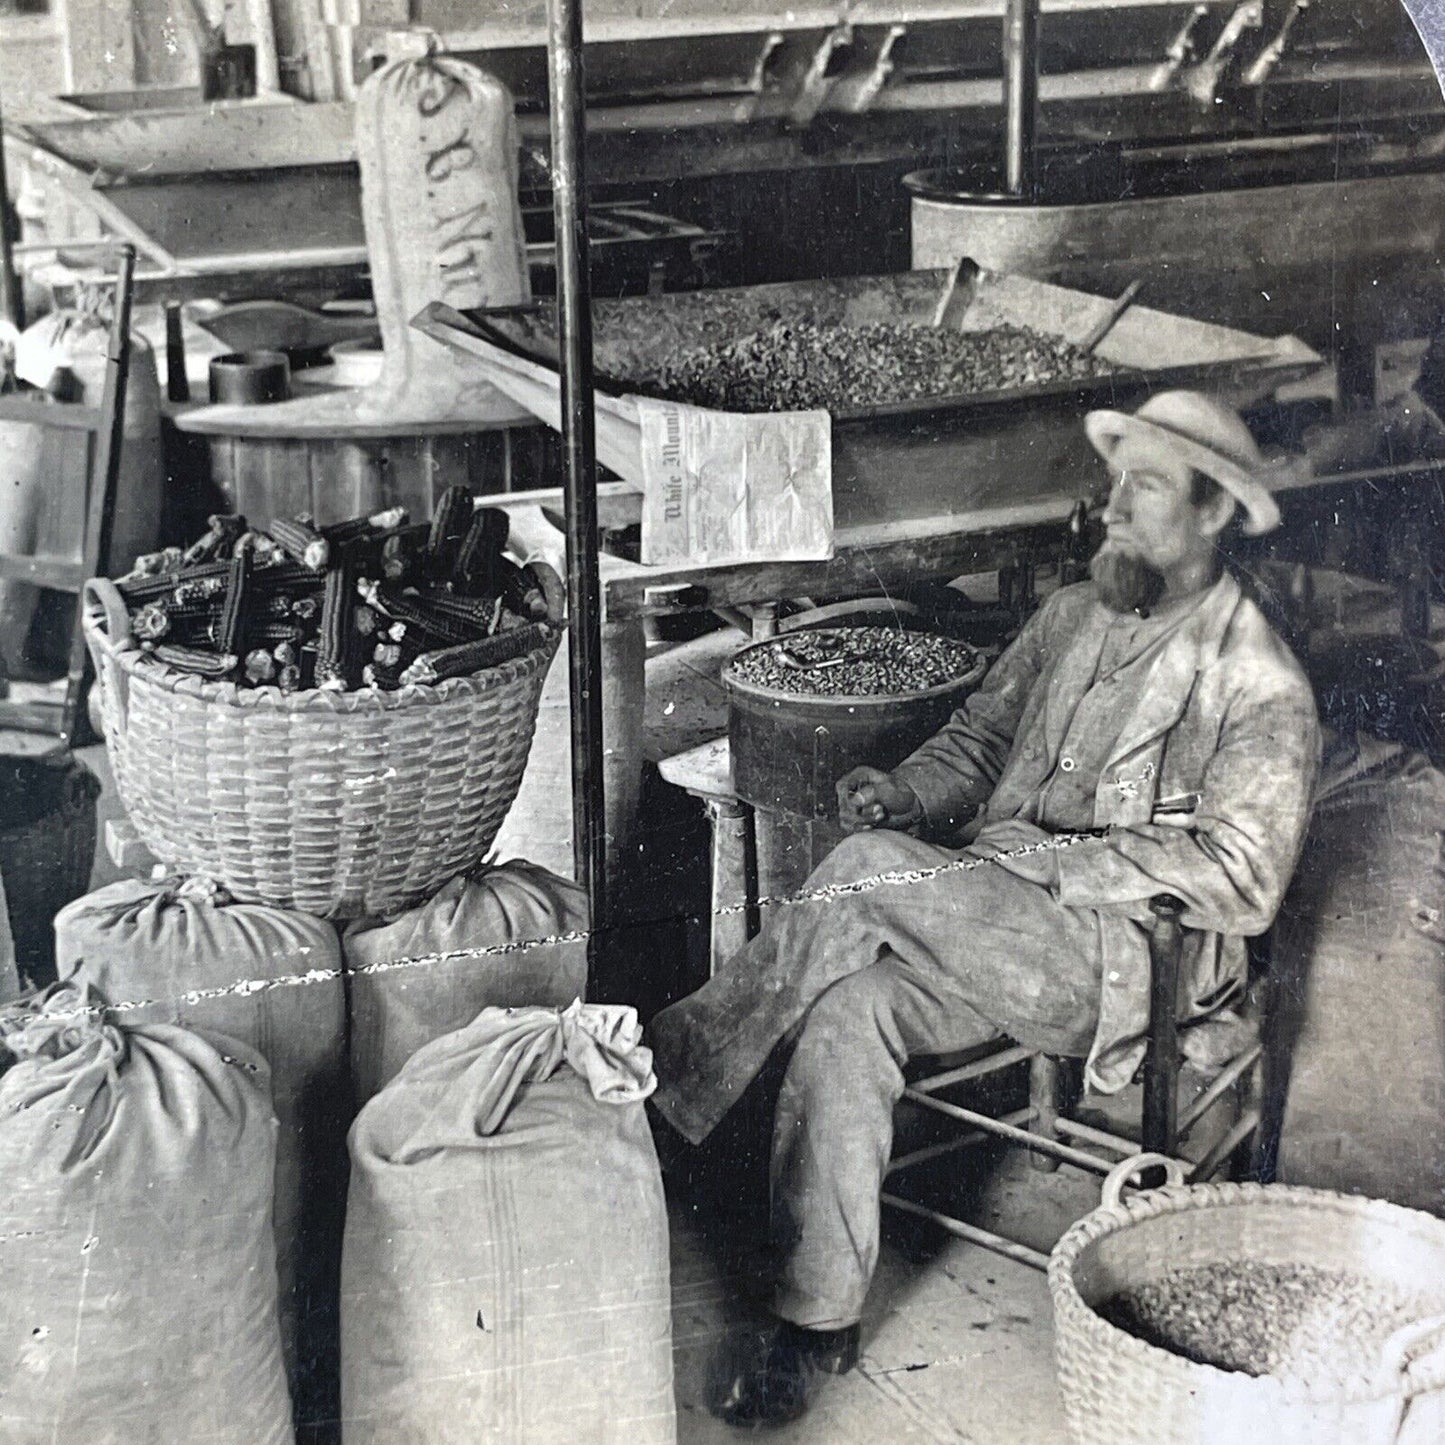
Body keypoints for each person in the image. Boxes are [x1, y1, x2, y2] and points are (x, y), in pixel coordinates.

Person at [648, 390, 1322, 1429]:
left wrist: (1065, 867)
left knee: (871, 865)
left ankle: (664, 1101)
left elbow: (1242, 873)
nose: (1110, 509)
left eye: (1141, 490)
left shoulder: (1257, 681)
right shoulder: (1070, 615)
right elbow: (976, 732)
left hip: (1112, 958)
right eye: (1114, 485)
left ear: (1214, 515)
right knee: (850, 1010)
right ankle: (813, 1317)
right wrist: (907, 791)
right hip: (986, 913)